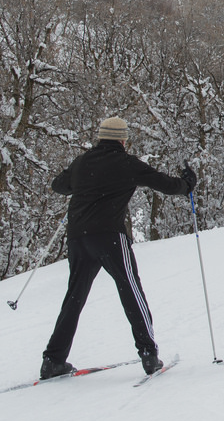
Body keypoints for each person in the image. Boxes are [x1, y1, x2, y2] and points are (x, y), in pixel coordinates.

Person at [40, 116, 196, 379]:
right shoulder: (127, 164)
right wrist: (188, 183)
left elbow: (59, 185)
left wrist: (82, 184)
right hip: (110, 236)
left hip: (78, 237)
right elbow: (166, 185)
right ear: (123, 140)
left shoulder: (82, 162)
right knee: (130, 289)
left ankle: (53, 360)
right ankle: (148, 353)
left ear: (100, 137)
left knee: (74, 297)